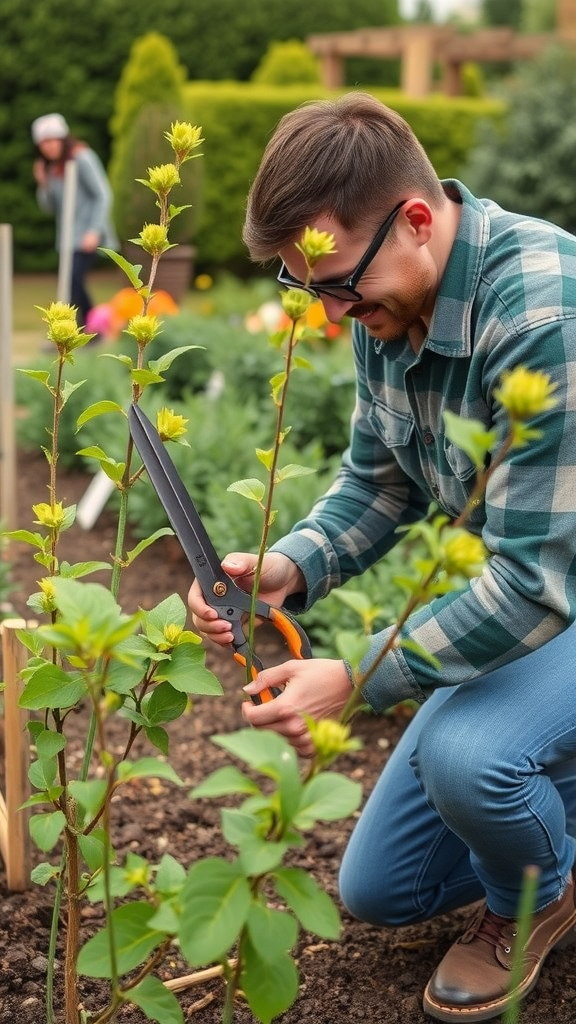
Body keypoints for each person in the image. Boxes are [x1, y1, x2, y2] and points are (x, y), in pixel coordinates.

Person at [188, 92, 576, 1022]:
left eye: (336, 288)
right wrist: (288, 566)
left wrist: (357, 679)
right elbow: (381, 482)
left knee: (470, 760)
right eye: (307, 289)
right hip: (532, 593)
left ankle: (545, 892)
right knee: (381, 895)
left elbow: (530, 584)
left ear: (413, 221)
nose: (330, 316)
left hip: (552, 589)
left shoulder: (543, 314)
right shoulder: (389, 300)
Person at [31, 112, 118, 330]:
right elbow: (49, 208)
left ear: (62, 139)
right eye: (43, 143)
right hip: (68, 237)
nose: (48, 147)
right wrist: (43, 184)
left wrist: (94, 229)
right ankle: (86, 330)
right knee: (72, 283)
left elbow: (103, 194)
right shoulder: (51, 168)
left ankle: (86, 330)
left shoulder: (82, 157)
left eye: (51, 140)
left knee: (73, 282)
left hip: (88, 233)